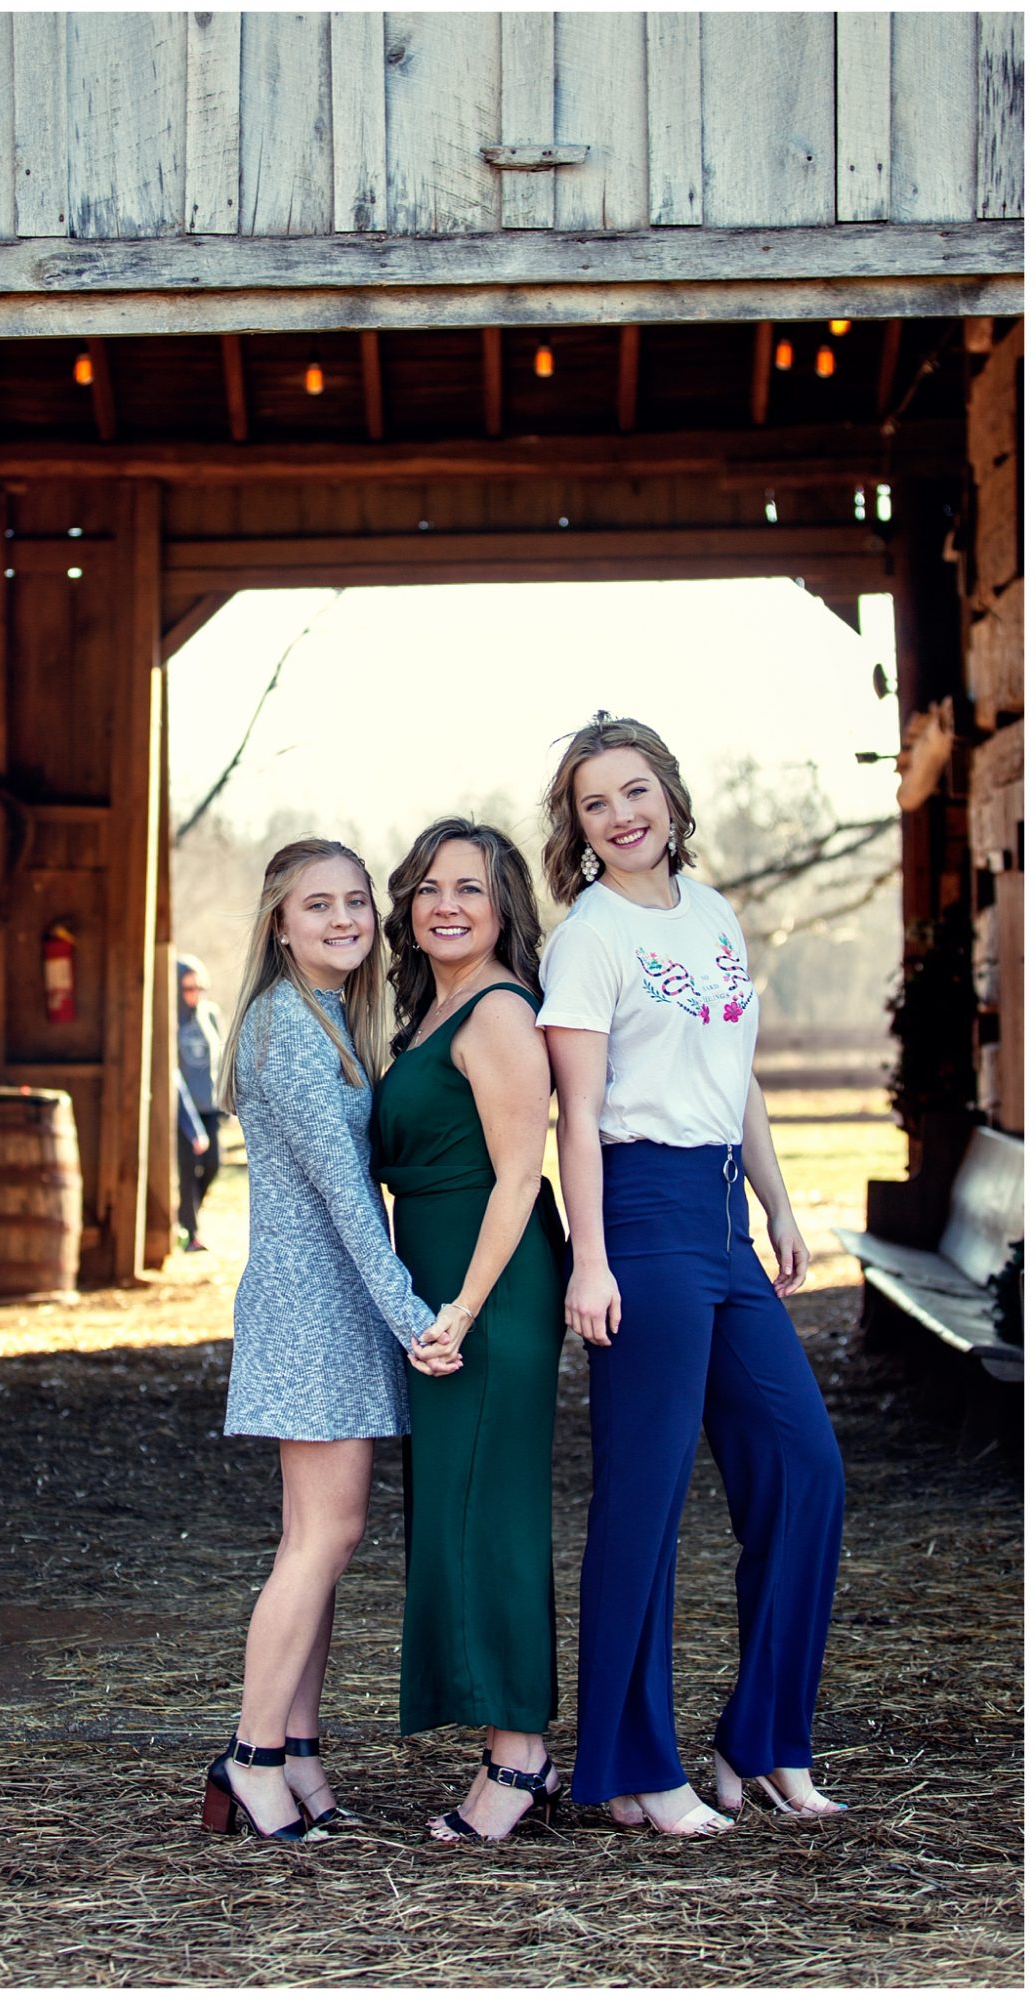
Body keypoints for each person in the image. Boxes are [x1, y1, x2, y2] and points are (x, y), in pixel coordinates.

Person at [538, 712, 846, 1837]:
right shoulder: (590, 937)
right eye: (593, 803)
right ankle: (630, 1765)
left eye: (634, 790)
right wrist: (591, 1256)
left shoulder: (712, 915)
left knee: (806, 1469)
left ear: (669, 792)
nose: (620, 815)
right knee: (646, 1497)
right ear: (576, 829)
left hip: (721, 1212)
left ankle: (761, 1743)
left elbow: (739, 1072)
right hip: (643, 1211)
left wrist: (776, 1198)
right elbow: (577, 1112)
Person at [200, 837, 466, 1844]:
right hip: (315, 1310)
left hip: (329, 1307)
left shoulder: (328, 1021)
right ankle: (253, 1754)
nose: (346, 919)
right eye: (320, 905)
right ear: (280, 922)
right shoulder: (289, 1032)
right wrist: (414, 1319)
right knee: (323, 1537)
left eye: (357, 901)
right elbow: (349, 1201)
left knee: (318, 1537)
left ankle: (299, 1750)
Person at [372, 818, 567, 1843]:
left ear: (503, 910)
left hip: (491, 1287)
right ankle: (504, 1737)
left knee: (492, 1512)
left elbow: (519, 1175)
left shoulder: (497, 1012)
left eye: (472, 888)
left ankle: (520, 1760)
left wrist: (463, 1306)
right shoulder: (425, 1008)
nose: (446, 903)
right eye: (430, 886)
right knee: (456, 1506)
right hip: (444, 1283)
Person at [176, 954, 225, 1252]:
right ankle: (189, 1231)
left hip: (210, 1106)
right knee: (186, 1171)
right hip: (183, 1109)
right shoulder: (171, 1018)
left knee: (212, 1166)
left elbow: (218, 1059)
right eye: (187, 988)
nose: (194, 994)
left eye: (198, 988)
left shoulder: (210, 1014)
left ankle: (185, 1213)